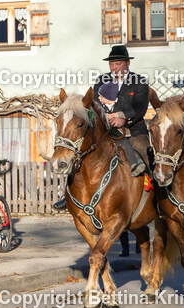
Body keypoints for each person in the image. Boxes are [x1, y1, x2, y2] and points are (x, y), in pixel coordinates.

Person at [54, 45, 149, 210]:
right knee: (79, 155)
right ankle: (67, 195)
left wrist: (123, 118)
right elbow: (96, 107)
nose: (113, 67)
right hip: (107, 131)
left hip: (133, 130)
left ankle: (158, 196)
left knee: (145, 152)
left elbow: (140, 109)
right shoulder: (101, 81)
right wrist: (107, 118)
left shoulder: (139, 82)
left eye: (118, 63)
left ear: (127, 63)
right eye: (111, 64)